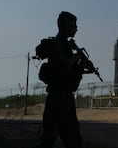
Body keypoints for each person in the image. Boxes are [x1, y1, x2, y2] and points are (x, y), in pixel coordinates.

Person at [38, 11, 93, 148]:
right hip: (57, 98)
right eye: (73, 26)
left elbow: (71, 71)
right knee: (49, 139)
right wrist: (77, 58)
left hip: (67, 99)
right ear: (64, 27)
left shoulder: (68, 47)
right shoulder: (56, 44)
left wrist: (83, 66)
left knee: (74, 141)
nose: (76, 28)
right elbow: (62, 66)